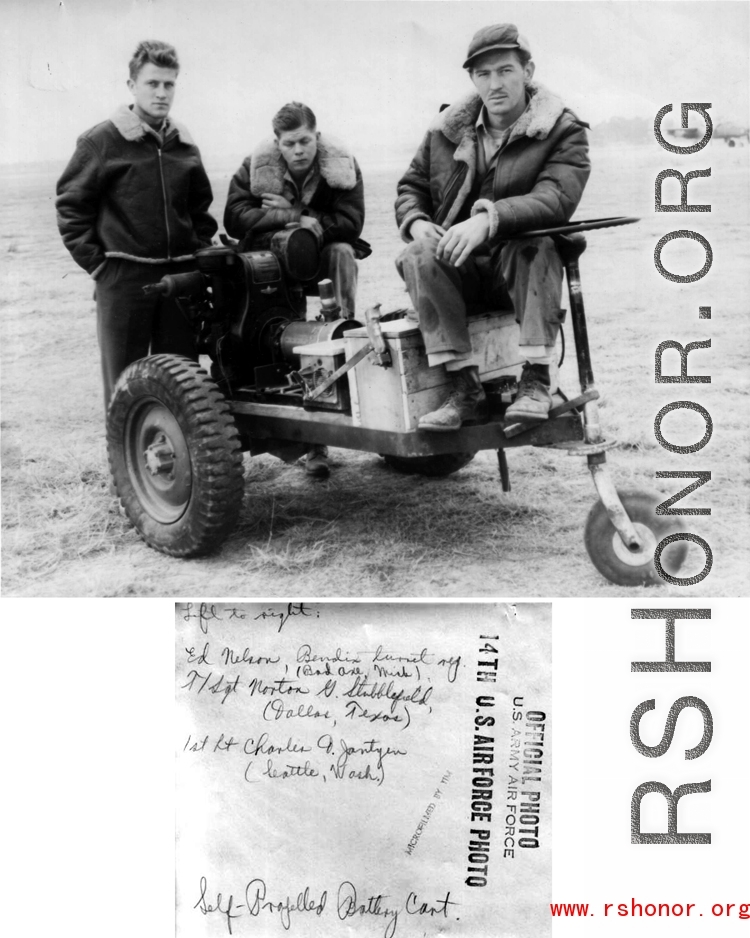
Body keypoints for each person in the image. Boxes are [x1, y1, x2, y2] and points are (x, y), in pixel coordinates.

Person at [395, 23, 590, 430]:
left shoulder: (562, 129)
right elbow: (411, 186)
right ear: (471, 79)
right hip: (459, 274)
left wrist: (489, 219)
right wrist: (415, 223)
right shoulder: (444, 130)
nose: (494, 84)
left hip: (518, 275)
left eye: (505, 70)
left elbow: (556, 198)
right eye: (482, 74)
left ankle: (536, 380)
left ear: (528, 71)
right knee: (418, 254)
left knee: (534, 244)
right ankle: (463, 389)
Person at [56, 40, 217, 413]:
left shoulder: (184, 145)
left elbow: (200, 210)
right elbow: (70, 207)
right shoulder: (100, 141)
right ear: (131, 85)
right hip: (123, 279)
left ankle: (182, 467)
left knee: (183, 384)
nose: (162, 93)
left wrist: (195, 256)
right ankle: (127, 469)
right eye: (152, 84)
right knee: (124, 384)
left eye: (169, 84)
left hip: (178, 281)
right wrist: (100, 266)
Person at [225, 102, 368, 477]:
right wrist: (291, 215)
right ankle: (311, 445)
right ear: (278, 143)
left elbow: (350, 223)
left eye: (305, 141)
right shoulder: (256, 167)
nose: (298, 151)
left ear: (317, 137)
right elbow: (235, 217)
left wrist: (309, 220)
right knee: (281, 349)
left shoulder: (341, 164)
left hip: (321, 259)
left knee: (341, 252)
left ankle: (341, 332)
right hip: (274, 267)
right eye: (289, 144)